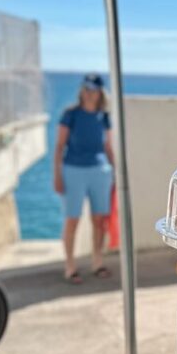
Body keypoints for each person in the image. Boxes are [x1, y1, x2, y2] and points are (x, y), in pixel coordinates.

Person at [53, 74, 115, 284]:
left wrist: (116, 173)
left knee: (99, 221)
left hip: (100, 172)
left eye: (93, 89)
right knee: (73, 219)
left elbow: (107, 147)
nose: (88, 93)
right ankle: (70, 265)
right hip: (73, 171)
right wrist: (57, 175)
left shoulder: (104, 117)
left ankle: (97, 261)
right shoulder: (70, 115)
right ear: (82, 90)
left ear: (100, 92)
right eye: (85, 88)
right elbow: (60, 147)